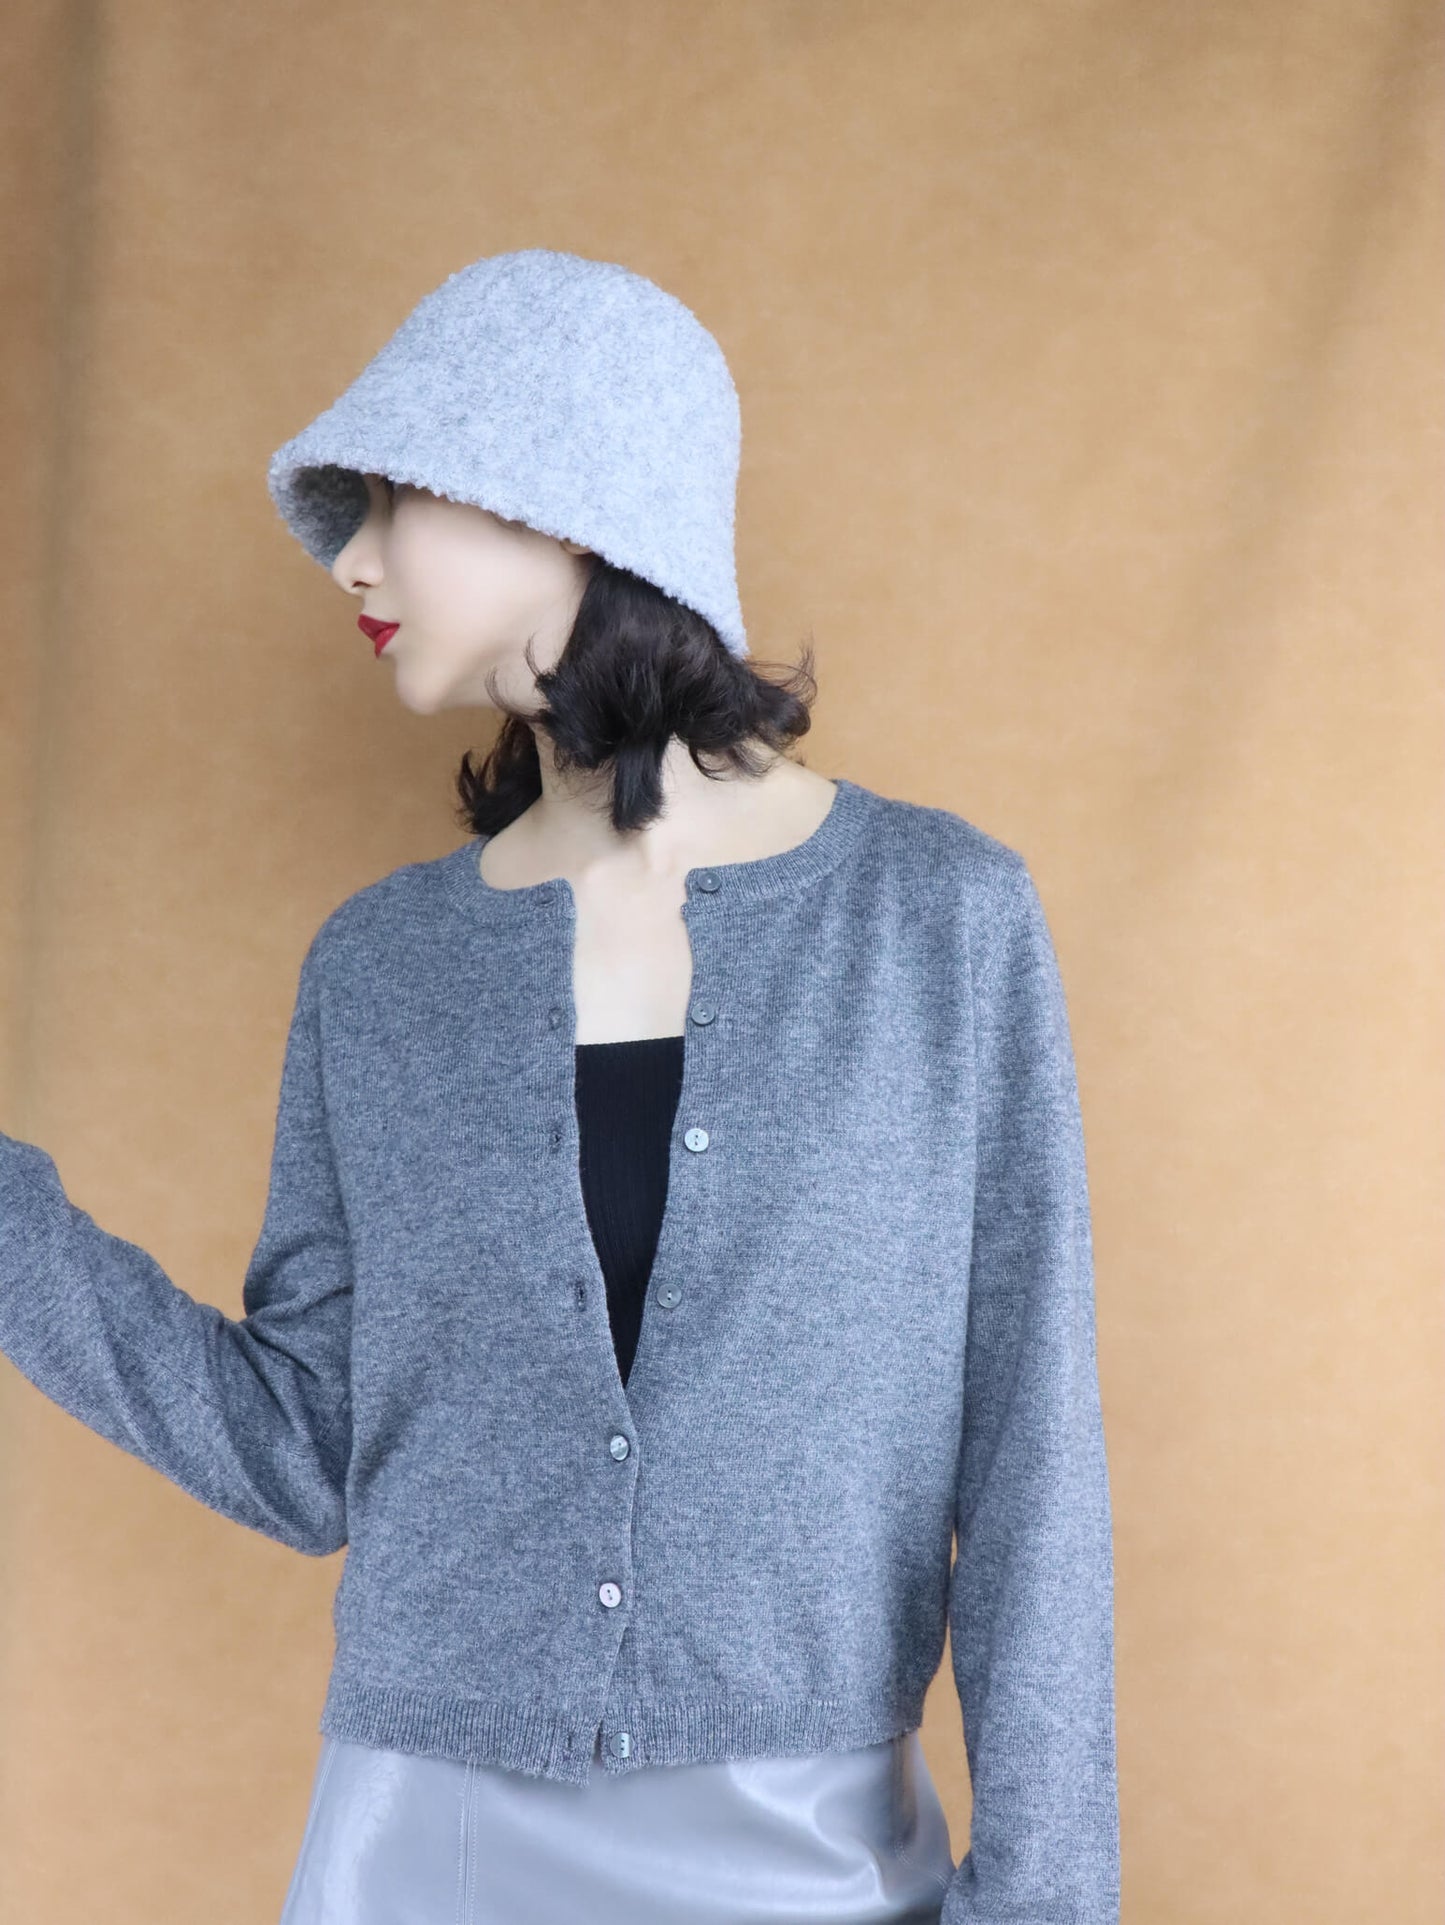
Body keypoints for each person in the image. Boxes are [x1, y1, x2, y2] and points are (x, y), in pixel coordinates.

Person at [0, 250, 1120, 1924]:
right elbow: (303, 1446)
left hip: (806, 1854)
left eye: (396, 499)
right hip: (426, 1852)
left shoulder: (934, 925)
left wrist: (1040, 1903)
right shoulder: (380, 971)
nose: (354, 558)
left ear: (568, 503)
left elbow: (1031, 1466)